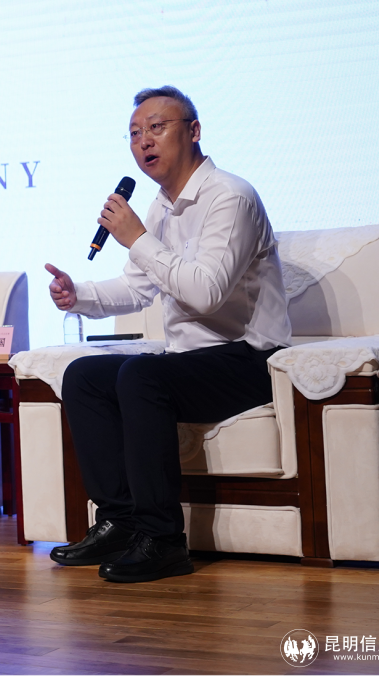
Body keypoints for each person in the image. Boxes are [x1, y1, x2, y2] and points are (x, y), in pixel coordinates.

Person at [45, 85, 291, 583]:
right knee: (84, 377)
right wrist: (79, 295)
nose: (144, 141)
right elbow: (139, 287)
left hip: (249, 359)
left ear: (194, 131)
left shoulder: (230, 198)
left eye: (157, 127)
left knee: (141, 375)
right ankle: (120, 521)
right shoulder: (160, 208)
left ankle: (163, 540)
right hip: (189, 362)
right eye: (135, 133)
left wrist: (136, 237)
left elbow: (205, 294)